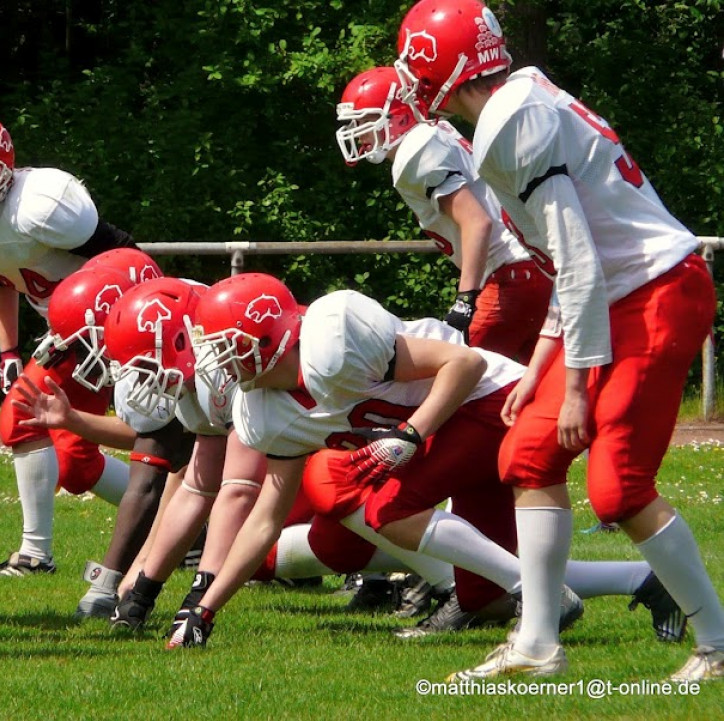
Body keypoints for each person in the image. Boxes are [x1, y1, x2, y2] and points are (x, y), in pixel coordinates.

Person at [396, 0, 724, 681]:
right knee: (527, 452)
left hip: (655, 291)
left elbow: (578, 260)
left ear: (444, 65)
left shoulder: (512, 119)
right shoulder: (518, 99)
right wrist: (545, 360)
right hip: (612, 295)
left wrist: (575, 386)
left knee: (619, 488)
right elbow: (566, 261)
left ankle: (717, 643)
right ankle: (538, 643)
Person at [167, 273, 680, 650]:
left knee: (390, 510)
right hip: (453, 428)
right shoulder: (265, 413)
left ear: (267, 336)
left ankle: (540, 596)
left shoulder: (333, 339)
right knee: (482, 590)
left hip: (489, 401)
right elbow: (266, 517)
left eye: (225, 346)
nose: (216, 362)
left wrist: (411, 434)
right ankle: (643, 579)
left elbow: (465, 362)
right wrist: (204, 609)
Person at [0, 112, 141, 575]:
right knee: (77, 465)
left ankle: (35, 555)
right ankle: (190, 527)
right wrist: (8, 350)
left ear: (2, 169)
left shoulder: (40, 206)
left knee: (20, 417)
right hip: (69, 331)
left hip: (109, 325)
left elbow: (126, 255)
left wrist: (123, 329)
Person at [12, 260, 197, 618]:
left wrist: (109, 583)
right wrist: (71, 420)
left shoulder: (171, 334)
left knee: (272, 550)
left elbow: (152, 469)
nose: (80, 359)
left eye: (83, 345)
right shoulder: (150, 337)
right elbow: (149, 437)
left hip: (275, 456)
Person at [335, 65, 551, 361]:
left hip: (510, 277)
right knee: (524, 380)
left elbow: (476, 222)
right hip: (532, 268)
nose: (358, 131)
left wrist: (465, 300)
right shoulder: (433, 133)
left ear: (398, 115)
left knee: (459, 369)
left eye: (365, 120)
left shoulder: (415, 151)